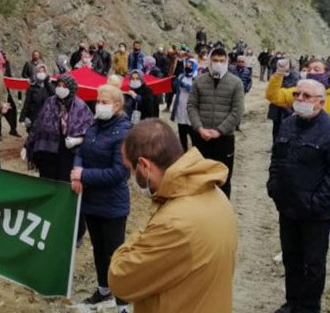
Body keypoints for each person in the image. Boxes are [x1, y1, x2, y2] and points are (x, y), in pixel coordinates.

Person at [109, 119, 237, 313]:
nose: (131, 177)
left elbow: (120, 279)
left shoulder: (174, 223)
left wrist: (139, 236)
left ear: (144, 165)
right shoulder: (212, 192)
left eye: (130, 169)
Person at [268, 79, 330, 313]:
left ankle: (308, 307)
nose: (300, 99)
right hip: (287, 208)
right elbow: (277, 159)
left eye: (307, 96)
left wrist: (315, 202)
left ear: (321, 102)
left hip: (316, 214)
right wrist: (274, 187)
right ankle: (292, 302)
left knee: (313, 265)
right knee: (291, 258)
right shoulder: (287, 124)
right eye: (298, 94)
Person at [70, 84, 132, 311]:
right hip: (91, 202)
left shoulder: (124, 132)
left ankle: (123, 303)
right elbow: (80, 152)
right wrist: (77, 174)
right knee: (98, 248)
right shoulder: (94, 125)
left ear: (117, 105)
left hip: (113, 204)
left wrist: (84, 174)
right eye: (98, 100)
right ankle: (103, 290)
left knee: (115, 254)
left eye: (104, 102)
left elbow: (120, 172)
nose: (99, 105)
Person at [187, 48, 244, 198]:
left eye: (221, 61)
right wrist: (199, 128)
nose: (218, 63)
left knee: (223, 179)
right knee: (199, 177)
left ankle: (222, 214)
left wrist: (220, 130)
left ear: (227, 61)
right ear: (209, 61)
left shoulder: (236, 83)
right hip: (201, 137)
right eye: (215, 60)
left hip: (224, 139)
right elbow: (192, 106)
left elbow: (237, 111)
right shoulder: (199, 81)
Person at [22, 74, 93, 180]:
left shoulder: (80, 107)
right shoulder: (49, 103)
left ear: (72, 89)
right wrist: (27, 145)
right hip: (48, 151)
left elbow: (91, 129)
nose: (61, 89)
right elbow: (37, 125)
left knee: (64, 182)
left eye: (65, 86)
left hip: (68, 154)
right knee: (47, 182)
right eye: (59, 85)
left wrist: (78, 140)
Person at [266, 58, 330, 139]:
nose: (311, 72)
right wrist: (279, 74)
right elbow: (273, 96)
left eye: (316, 70)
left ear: (327, 73)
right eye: (309, 69)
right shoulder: (298, 93)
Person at [171, 58, 198, 152]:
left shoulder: (197, 78)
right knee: (182, 130)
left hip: (191, 106)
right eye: (187, 65)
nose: (188, 67)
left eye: (190, 65)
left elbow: (197, 91)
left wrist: (187, 87)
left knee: (192, 132)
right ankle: (184, 150)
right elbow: (176, 89)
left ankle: (196, 151)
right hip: (180, 106)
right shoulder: (181, 76)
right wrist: (174, 83)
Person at [19, 64, 55, 132]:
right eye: (39, 71)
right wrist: (22, 118)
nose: (41, 73)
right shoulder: (32, 87)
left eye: (43, 71)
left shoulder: (49, 86)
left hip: (47, 117)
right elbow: (27, 103)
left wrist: (47, 83)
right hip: (34, 116)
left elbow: (54, 94)